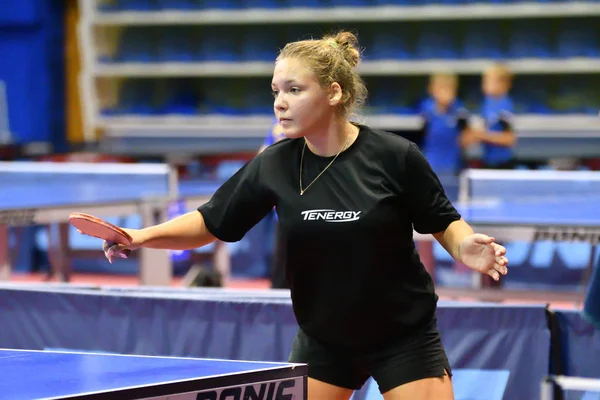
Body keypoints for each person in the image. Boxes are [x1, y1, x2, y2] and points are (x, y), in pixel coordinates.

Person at [101, 31, 508, 400]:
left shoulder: (394, 157)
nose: (280, 102)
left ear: (333, 93)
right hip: (324, 339)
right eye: (276, 90)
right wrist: (140, 237)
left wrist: (463, 246)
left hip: (402, 336)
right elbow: (211, 221)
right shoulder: (274, 164)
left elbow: (442, 222)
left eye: (294, 90)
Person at [416, 72, 471, 280]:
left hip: (453, 173)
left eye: (449, 89)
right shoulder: (426, 109)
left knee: (457, 221)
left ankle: (462, 271)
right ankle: (426, 270)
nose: (445, 93)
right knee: (424, 223)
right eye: (441, 88)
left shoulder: (459, 111)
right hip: (428, 171)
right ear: (432, 90)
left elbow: (468, 137)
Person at [258, 120, 289, 289]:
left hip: (308, 205)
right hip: (282, 206)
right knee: (281, 259)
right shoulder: (277, 124)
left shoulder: (309, 122)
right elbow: (263, 154)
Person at [468, 63, 517, 169]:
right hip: (487, 160)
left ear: (503, 84)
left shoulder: (505, 106)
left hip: (502, 163)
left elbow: (509, 139)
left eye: (489, 81)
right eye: (484, 81)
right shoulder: (486, 103)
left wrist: (484, 136)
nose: (485, 85)